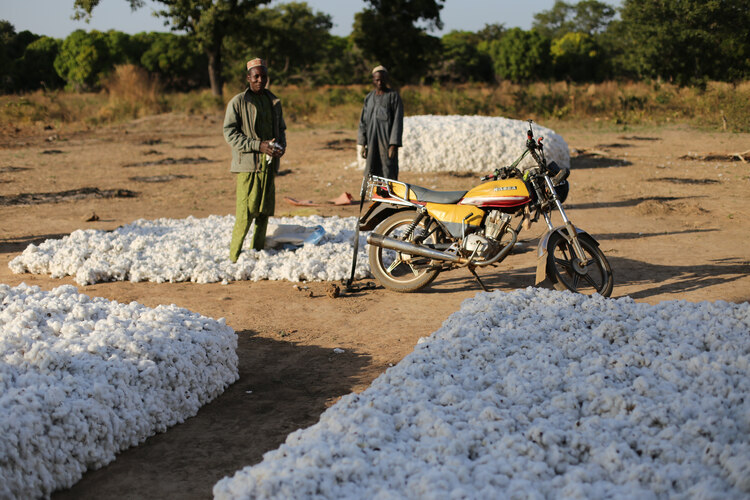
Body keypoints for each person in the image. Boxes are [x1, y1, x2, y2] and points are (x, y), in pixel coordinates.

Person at [223, 58, 286, 262]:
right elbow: (230, 133)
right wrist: (258, 145)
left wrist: (280, 147)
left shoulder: (274, 101)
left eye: (263, 76)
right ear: (248, 78)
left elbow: (281, 130)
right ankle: (233, 257)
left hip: (268, 166)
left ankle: (257, 254)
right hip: (249, 166)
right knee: (245, 212)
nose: (260, 80)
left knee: (264, 212)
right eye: (256, 76)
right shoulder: (238, 102)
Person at [357, 65, 404, 180]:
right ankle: (376, 196)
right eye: (377, 80)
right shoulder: (369, 98)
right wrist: (363, 144)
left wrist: (393, 144)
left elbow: (398, 121)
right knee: (371, 169)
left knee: (388, 169)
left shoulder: (393, 96)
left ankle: (389, 196)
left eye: (382, 79)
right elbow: (363, 121)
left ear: (386, 79)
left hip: (386, 142)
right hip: (372, 142)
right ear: (373, 80)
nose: (379, 82)